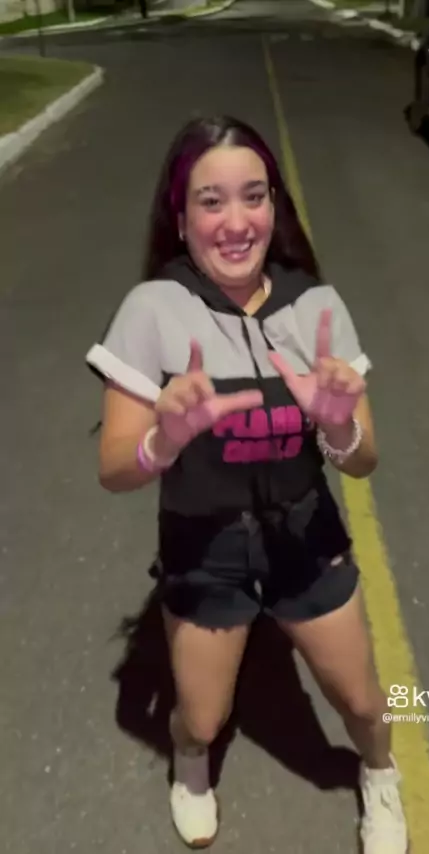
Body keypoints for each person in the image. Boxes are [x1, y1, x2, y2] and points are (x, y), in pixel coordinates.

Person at [86, 114, 409, 853]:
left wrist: (336, 425)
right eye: (211, 201)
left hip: (305, 536)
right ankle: (191, 760)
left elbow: (362, 461)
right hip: (206, 547)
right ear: (180, 217)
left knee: (364, 702)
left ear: (274, 206)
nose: (236, 222)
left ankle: (380, 773)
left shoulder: (316, 308)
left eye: (253, 196)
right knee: (201, 718)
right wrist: (163, 441)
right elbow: (113, 468)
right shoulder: (152, 309)